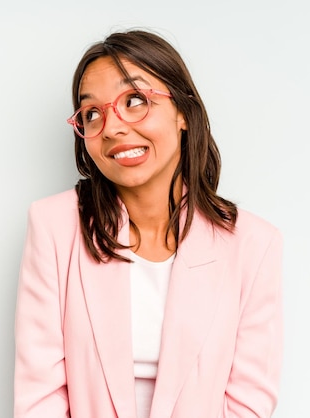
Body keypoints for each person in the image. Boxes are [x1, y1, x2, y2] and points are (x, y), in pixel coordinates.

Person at [14, 29, 283, 418]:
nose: (113, 127)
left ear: (183, 113)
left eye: (135, 101)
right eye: (92, 113)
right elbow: (39, 400)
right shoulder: (54, 227)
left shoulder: (255, 245)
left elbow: (248, 403)